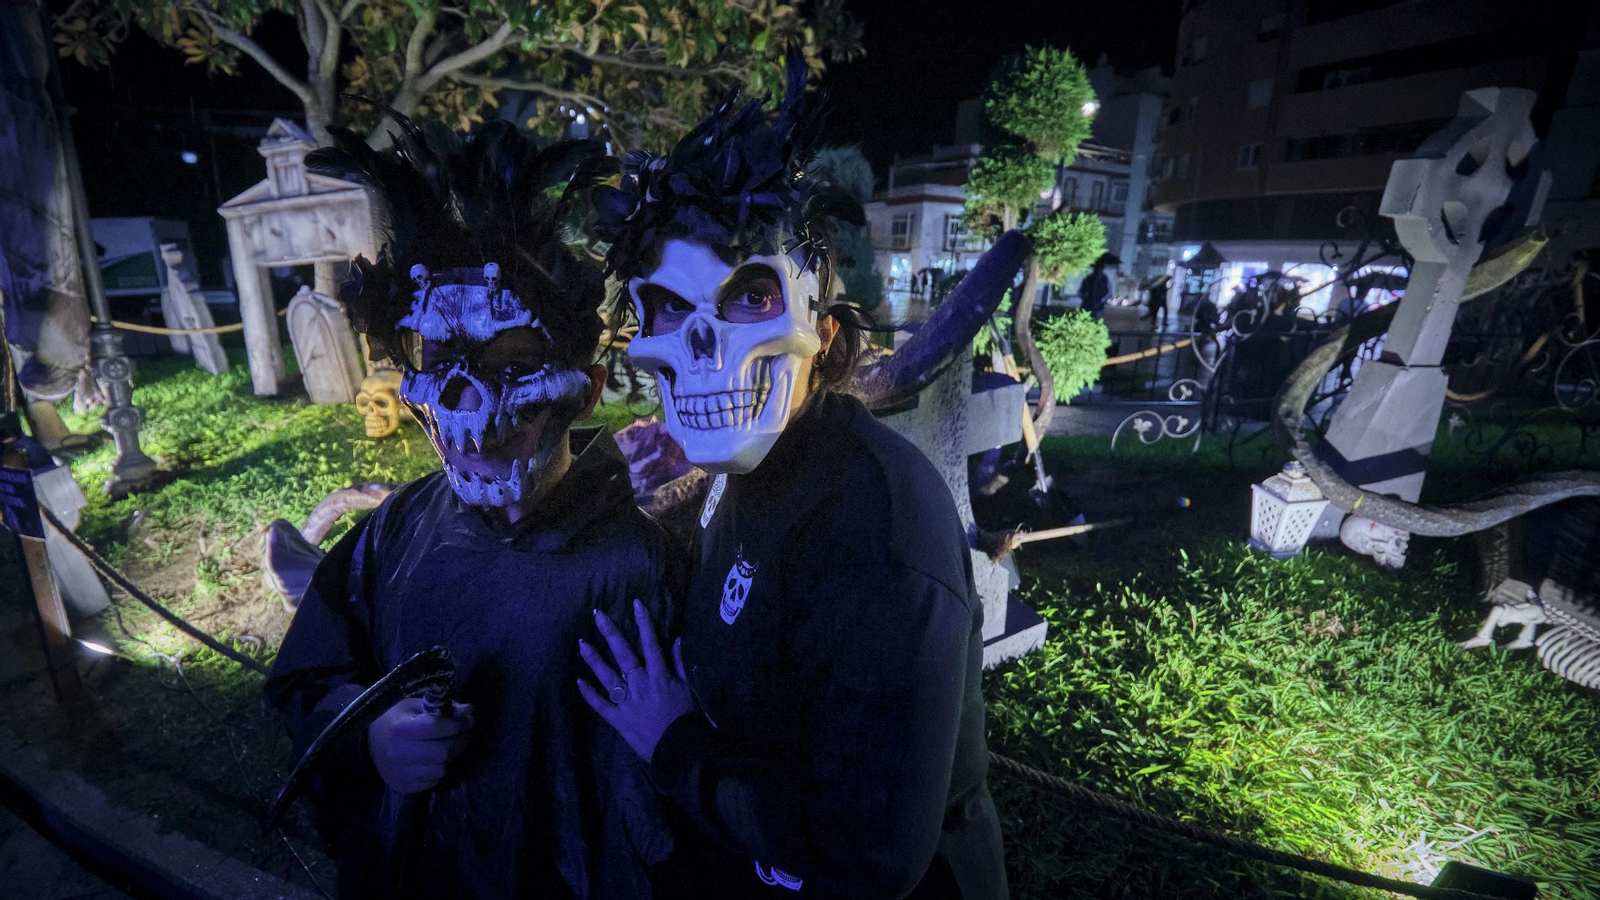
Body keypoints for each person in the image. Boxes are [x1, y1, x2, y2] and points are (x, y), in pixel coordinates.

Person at [579, 52, 1008, 900]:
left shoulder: (880, 529)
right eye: (666, 309)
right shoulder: (766, 469)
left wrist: (673, 746)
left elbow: (870, 851)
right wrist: (679, 506)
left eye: (747, 297)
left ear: (820, 319)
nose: (700, 342)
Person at [264, 120, 683, 899]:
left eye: (512, 367)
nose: (469, 399)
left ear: (585, 393)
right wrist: (369, 733)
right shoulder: (399, 529)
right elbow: (311, 673)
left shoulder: (641, 561)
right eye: (444, 364)